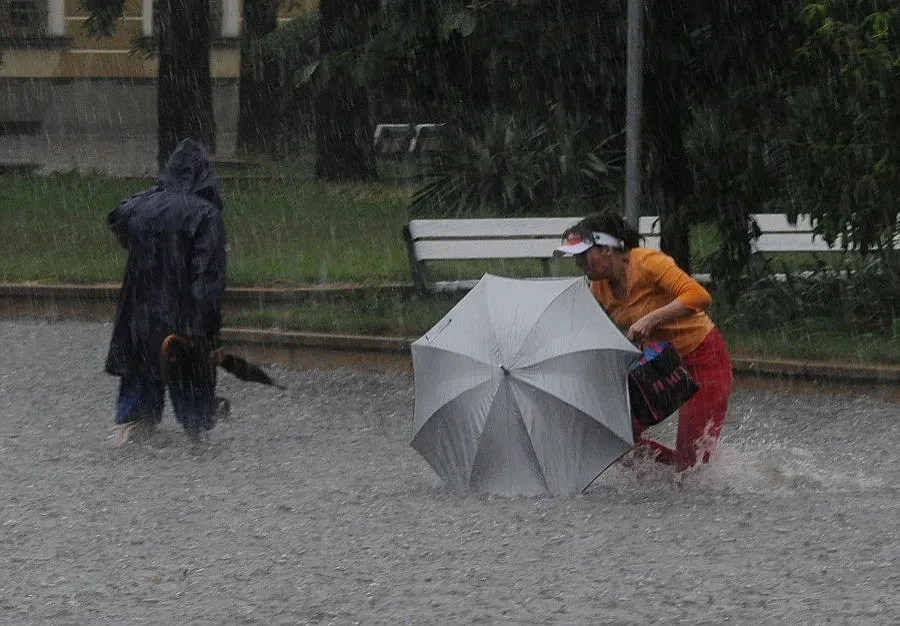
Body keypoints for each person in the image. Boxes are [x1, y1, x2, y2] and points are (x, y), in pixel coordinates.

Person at [555, 210, 733, 471]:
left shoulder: (648, 262)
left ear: (608, 249)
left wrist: (651, 320)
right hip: (659, 367)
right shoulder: (599, 288)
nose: (579, 262)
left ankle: (683, 467)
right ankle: (671, 468)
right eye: (576, 257)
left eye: (584, 254)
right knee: (616, 440)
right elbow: (592, 333)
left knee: (692, 465)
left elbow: (699, 296)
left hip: (703, 359)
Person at [104, 138, 227, 446]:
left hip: (140, 311)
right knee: (190, 372)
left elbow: (117, 217)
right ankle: (196, 430)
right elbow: (208, 274)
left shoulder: (142, 207)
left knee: (140, 368)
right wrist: (205, 321)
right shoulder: (206, 215)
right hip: (183, 312)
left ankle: (134, 424)